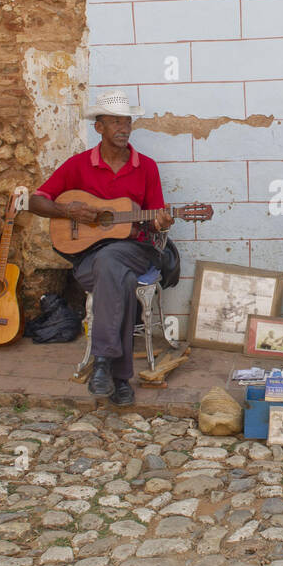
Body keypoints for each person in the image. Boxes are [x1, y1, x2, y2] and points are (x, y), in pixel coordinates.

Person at [28, 90, 173, 403]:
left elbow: (155, 217)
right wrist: (68, 211)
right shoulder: (78, 165)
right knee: (116, 275)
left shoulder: (146, 167)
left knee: (113, 261)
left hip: (136, 250)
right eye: (115, 122)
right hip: (89, 257)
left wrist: (161, 222)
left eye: (127, 121)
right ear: (99, 127)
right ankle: (120, 379)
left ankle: (102, 363)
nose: (123, 127)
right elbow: (35, 201)